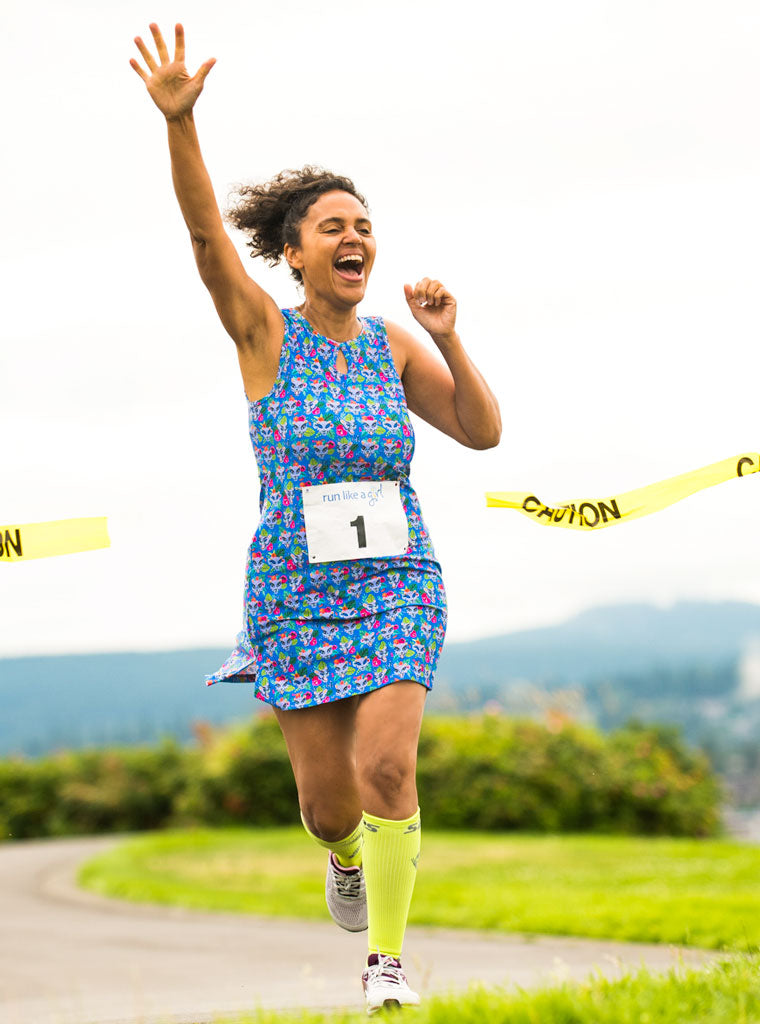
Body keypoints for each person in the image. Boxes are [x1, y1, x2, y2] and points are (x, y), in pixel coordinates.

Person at [130, 22, 501, 1015]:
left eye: (363, 225)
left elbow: (480, 431)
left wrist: (449, 340)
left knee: (388, 766)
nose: (353, 238)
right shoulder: (263, 335)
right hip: (294, 589)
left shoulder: (391, 344)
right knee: (330, 805)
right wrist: (181, 124)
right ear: (292, 253)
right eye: (331, 226)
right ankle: (344, 857)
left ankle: (386, 965)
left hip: (397, 581)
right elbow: (206, 241)